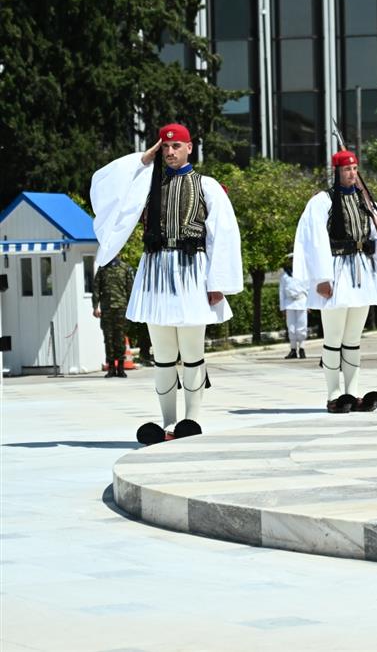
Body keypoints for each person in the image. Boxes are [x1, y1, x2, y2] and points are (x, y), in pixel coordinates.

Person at [90, 123, 244, 445]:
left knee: (191, 352)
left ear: (190, 148)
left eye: (177, 146)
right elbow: (109, 190)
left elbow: (223, 234)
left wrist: (217, 282)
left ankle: (192, 420)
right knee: (162, 353)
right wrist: (143, 160)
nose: (171, 152)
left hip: (192, 272)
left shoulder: (207, 185)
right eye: (165, 147)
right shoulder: (148, 185)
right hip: (156, 272)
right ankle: (168, 422)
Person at [294, 149, 377, 413]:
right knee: (333, 338)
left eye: (354, 169)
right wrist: (320, 278)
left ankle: (352, 394)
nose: (352, 174)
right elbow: (313, 240)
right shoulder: (323, 201)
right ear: (337, 172)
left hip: (363, 273)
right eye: (346, 170)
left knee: (353, 338)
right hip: (336, 270)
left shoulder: (367, 202)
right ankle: (333, 395)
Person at [91, 255, 135, 378]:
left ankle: (120, 367)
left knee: (120, 338)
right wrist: (95, 307)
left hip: (121, 309)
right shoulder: (102, 269)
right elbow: (96, 289)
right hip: (107, 309)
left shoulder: (125, 268)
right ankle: (111, 368)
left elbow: (130, 289)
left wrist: (131, 309)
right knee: (108, 339)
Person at [279, 256, 309, 359]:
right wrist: (282, 308)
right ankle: (293, 349)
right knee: (291, 328)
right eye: (291, 260)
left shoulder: (304, 274)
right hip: (289, 303)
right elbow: (281, 292)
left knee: (302, 326)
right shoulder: (284, 276)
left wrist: (309, 304)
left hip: (301, 302)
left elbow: (308, 289)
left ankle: (302, 348)